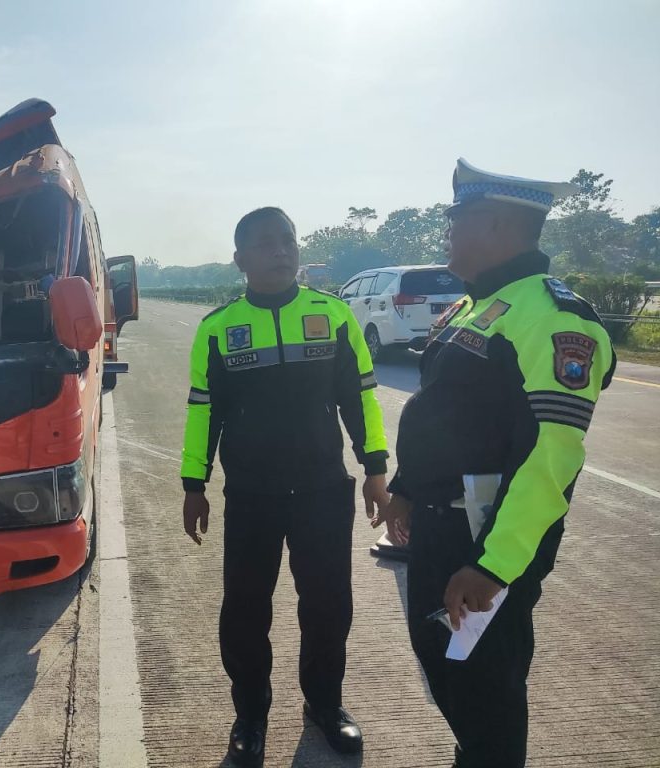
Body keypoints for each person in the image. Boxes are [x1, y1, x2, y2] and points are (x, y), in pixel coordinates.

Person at [375, 159, 616, 768]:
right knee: (444, 664)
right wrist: (405, 486)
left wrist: (493, 565)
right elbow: (440, 415)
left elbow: (551, 457)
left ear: (500, 224)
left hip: (487, 534)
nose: (447, 234)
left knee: (487, 687)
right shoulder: (475, 306)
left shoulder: (555, 317)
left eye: (458, 221)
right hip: (437, 524)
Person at [180, 207, 390, 766]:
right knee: (245, 609)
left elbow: (361, 396)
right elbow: (204, 411)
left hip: (323, 489)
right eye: (266, 243)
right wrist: (193, 483)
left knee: (327, 605)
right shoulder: (217, 329)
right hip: (251, 494)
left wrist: (375, 467)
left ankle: (325, 705)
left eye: (288, 241)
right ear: (240, 258)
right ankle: (250, 713)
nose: (281, 251)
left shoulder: (334, 315)